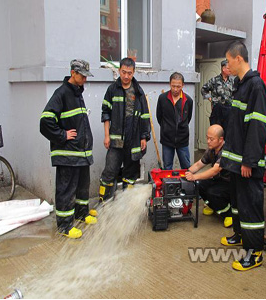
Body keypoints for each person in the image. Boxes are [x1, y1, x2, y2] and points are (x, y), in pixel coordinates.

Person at [220, 41, 266, 271]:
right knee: (240, 204)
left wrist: (249, 161)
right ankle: (241, 236)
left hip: (247, 163)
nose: (227, 65)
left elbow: (258, 127)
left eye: (228, 61)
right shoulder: (241, 85)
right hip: (237, 161)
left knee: (251, 208)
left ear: (238, 59)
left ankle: (255, 254)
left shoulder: (256, 87)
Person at [40, 59, 96, 239]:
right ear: (73, 73)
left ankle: (81, 213)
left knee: (82, 187)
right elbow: (45, 122)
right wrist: (63, 135)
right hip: (68, 155)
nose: (85, 79)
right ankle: (65, 225)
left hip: (80, 154)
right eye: (83, 76)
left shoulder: (77, 93)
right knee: (66, 189)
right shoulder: (61, 93)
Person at [97, 57, 151, 204]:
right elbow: (105, 113)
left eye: (129, 73)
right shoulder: (112, 90)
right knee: (109, 172)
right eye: (123, 72)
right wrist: (107, 135)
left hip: (133, 141)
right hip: (116, 141)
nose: (126, 76)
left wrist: (144, 137)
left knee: (130, 175)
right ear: (119, 71)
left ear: (134, 73)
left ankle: (127, 204)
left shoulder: (138, 92)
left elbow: (145, 117)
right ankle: (105, 203)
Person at [185, 125, 232, 228]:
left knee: (212, 192)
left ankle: (229, 214)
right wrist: (186, 173)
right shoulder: (211, 150)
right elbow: (199, 164)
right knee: (199, 185)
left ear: (221, 139)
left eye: (211, 139)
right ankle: (212, 206)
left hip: (230, 184)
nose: (208, 141)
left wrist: (194, 177)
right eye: (207, 138)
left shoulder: (226, 151)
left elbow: (214, 171)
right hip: (218, 180)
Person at [156, 72, 193, 170]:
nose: (175, 89)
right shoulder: (162, 98)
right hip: (167, 139)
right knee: (167, 167)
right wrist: (166, 128)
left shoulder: (188, 100)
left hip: (183, 139)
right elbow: (159, 117)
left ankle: (186, 185)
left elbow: (188, 118)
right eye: (173, 86)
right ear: (169, 84)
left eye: (178, 86)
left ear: (183, 85)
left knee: (186, 167)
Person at [201, 59, 233, 133]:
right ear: (223, 69)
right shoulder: (214, 80)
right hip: (217, 111)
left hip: (229, 110)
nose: (230, 70)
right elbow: (204, 89)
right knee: (216, 132)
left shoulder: (232, 81)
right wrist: (211, 99)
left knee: (228, 133)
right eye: (228, 68)